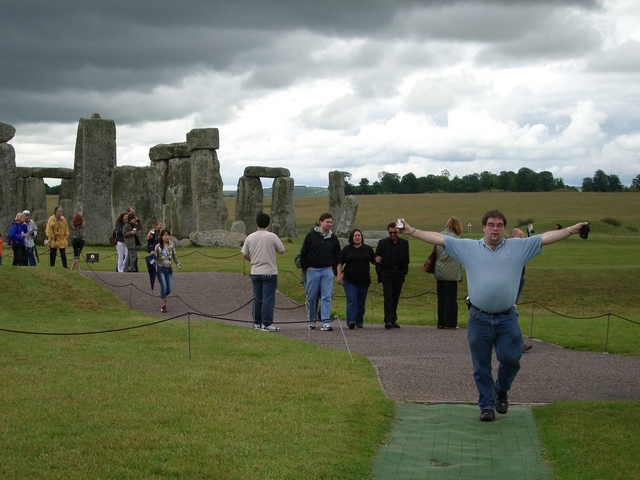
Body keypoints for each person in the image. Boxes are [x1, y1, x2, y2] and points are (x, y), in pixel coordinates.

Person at [399, 212, 588, 422]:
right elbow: (439, 238)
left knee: (512, 359)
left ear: (504, 229)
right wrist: (411, 231)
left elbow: (547, 237)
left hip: (507, 319)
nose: (495, 229)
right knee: (481, 367)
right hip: (479, 318)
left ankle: (501, 389)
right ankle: (486, 405)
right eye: (491, 225)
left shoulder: (518, 247)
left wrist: (572, 229)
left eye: (499, 225)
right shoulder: (469, 248)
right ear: (484, 228)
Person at [241, 212, 286, 331]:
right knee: (268, 298)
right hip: (269, 271)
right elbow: (281, 250)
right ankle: (266, 323)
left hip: (255, 271)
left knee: (257, 297)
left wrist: (253, 259)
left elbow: (244, 254)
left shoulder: (250, 237)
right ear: (268, 224)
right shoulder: (272, 236)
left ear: (256, 223)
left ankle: (257, 322)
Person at [299, 212, 341, 331]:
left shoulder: (333, 238)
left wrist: (332, 267)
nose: (329, 224)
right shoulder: (311, 235)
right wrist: (307, 266)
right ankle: (311, 320)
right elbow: (304, 253)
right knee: (311, 297)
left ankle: (325, 322)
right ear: (321, 222)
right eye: (327, 222)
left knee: (326, 296)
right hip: (313, 270)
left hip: (327, 270)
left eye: (331, 222)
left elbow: (338, 254)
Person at [337, 229, 376, 329]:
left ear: (362, 237)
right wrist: (339, 275)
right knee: (352, 300)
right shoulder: (346, 249)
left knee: (361, 302)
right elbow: (340, 264)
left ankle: (359, 322)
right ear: (351, 238)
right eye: (355, 236)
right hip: (349, 280)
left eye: (359, 235)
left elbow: (374, 261)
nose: (357, 237)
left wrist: (379, 260)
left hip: (364, 280)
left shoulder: (367, 249)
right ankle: (351, 321)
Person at [375, 222, 410, 329]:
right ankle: (388, 320)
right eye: (390, 233)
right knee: (388, 296)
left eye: (394, 232)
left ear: (398, 231)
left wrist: (404, 271)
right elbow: (376, 258)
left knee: (395, 296)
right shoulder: (383, 243)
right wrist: (380, 270)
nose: (392, 235)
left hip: (398, 273)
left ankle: (393, 319)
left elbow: (406, 259)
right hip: (386, 272)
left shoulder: (404, 243)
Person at [434, 217, 463, 330]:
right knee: (450, 298)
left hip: (439, 270)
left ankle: (441, 322)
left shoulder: (439, 236)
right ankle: (450, 323)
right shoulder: (456, 239)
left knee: (441, 298)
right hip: (451, 272)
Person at [510, 228, 533, 352]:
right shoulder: (509, 250)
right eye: (521, 238)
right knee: (512, 312)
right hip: (511, 284)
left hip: (518, 281)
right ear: (513, 238)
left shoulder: (520, 250)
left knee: (512, 311)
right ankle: (518, 343)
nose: (523, 240)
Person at [155, 229, 182, 313]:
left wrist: (178, 263)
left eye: (168, 235)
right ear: (162, 236)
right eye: (165, 235)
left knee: (169, 289)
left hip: (168, 269)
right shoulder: (158, 246)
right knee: (163, 286)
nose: (167, 237)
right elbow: (155, 258)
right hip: (160, 268)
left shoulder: (171, 245)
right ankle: (163, 305)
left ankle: (162, 296)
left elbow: (174, 255)